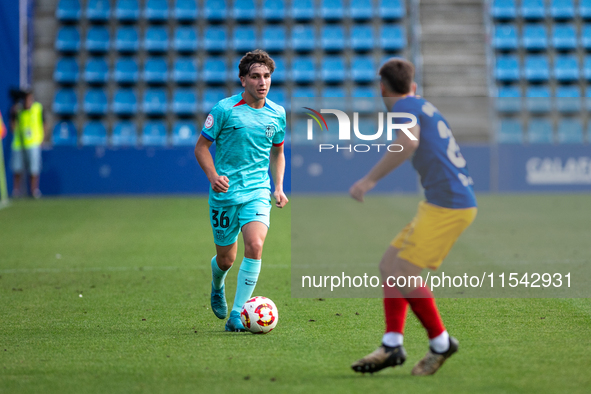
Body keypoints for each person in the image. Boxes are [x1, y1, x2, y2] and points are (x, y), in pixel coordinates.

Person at [349, 58, 477, 376]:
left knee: (403, 270)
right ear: (413, 85)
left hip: (450, 206)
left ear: (383, 89)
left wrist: (368, 180)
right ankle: (392, 344)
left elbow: (408, 142)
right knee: (389, 266)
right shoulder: (420, 103)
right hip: (439, 203)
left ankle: (441, 342)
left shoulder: (403, 106)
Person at [194, 50, 288, 332]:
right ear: (243, 79)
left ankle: (237, 314)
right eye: (256, 76)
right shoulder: (224, 110)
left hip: (257, 191)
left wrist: (279, 186)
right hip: (225, 195)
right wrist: (213, 176)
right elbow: (201, 148)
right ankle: (217, 283)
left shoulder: (278, 113)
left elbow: (278, 152)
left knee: (256, 245)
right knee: (226, 259)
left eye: (267, 76)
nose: (263, 82)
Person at [10, 91, 46, 199]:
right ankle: (16, 191)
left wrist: (42, 137)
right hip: (19, 143)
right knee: (17, 168)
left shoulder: (38, 108)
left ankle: (34, 191)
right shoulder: (17, 109)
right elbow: (13, 127)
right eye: (26, 99)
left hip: (33, 143)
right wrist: (14, 113)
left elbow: (44, 123)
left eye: (30, 98)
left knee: (34, 169)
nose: (28, 101)